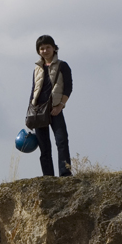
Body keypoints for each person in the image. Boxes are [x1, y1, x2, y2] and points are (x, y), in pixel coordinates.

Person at [29, 35, 73, 177]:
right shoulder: (37, 68)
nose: (45, 50)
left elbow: (68, 88)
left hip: (55, 109)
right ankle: (48, 177)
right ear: (38, 51)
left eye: (48, 47)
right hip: (38, 111)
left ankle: (65, 174)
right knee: (44, 146)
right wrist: (30, 112)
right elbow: (33, 90)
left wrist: (60, 105)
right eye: (41, 48)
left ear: (54, 48)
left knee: (62, 141)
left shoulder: (62, 65)